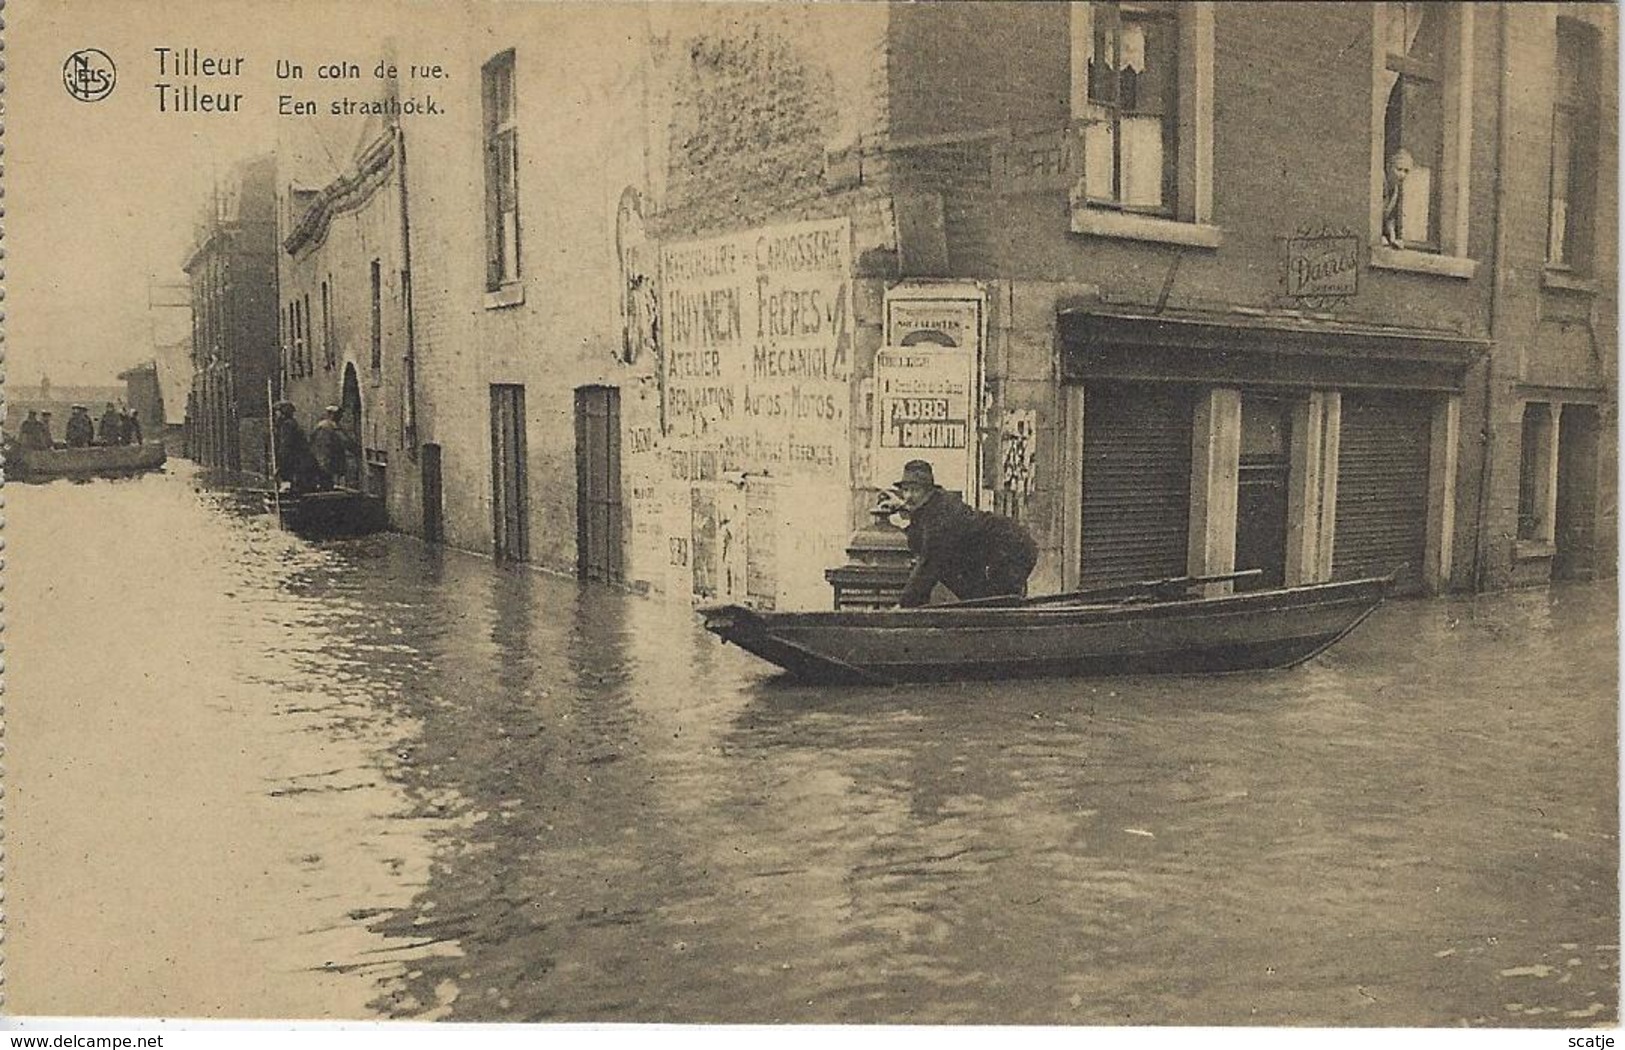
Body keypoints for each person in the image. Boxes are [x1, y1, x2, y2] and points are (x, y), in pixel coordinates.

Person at [887, 459, 1038, 608]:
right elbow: (921, 541)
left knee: (995, 605)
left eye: (915, 490)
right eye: (905, 490)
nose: (908, 497)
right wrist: (905, 514)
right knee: (976, 596)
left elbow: (928, 564)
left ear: (929, 491)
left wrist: (904, 605)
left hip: (1013, 548)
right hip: (993, 552)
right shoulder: (932, 505)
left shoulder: (941, 514)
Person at [272, 401, 320, 493]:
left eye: (277, 412)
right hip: (302, 462)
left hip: (299, 463)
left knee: (298, 490)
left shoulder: (287, 425)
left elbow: (286, 447)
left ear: (283, 413)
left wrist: (280, 466)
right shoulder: (291, 424)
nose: (275, 415)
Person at [308, 405, 354, 491]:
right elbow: (344, 440)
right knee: (326, 479)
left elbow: (311, 439)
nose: (340, 417)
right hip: (328, 457)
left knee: (324, 478)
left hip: (320, 457)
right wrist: (355, 449)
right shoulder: (332, 426)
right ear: (332, 414)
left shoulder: (320, 425)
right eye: (338, 414)